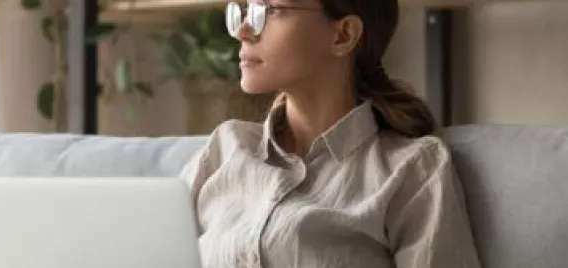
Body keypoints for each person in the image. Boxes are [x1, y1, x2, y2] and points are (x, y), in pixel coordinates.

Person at [179, 0, 482, 267]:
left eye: (270, 10)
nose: (244, 30)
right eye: (246, 9)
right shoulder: (225, 149)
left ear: (343, 35)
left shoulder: (412, 170)